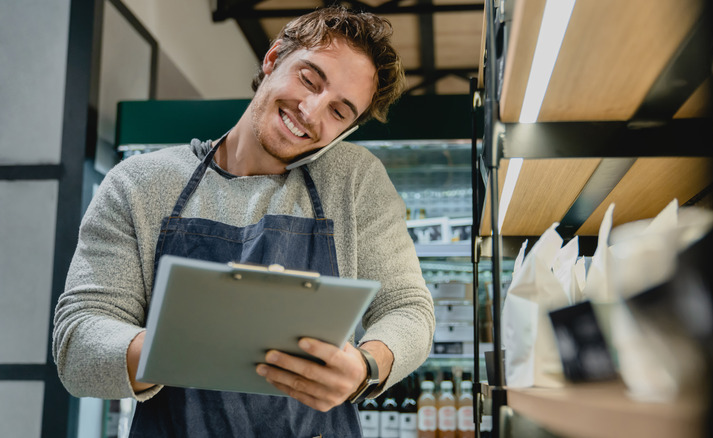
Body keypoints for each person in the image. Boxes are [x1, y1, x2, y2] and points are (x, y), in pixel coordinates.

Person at [52, 6, 435, 436]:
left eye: (339, 112)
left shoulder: (353, 181)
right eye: (309, 79)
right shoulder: (139, 184)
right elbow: (77, 342)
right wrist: (180, 346)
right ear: (272, 59)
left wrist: (367, 367)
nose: (311, 111)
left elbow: (408, 308)